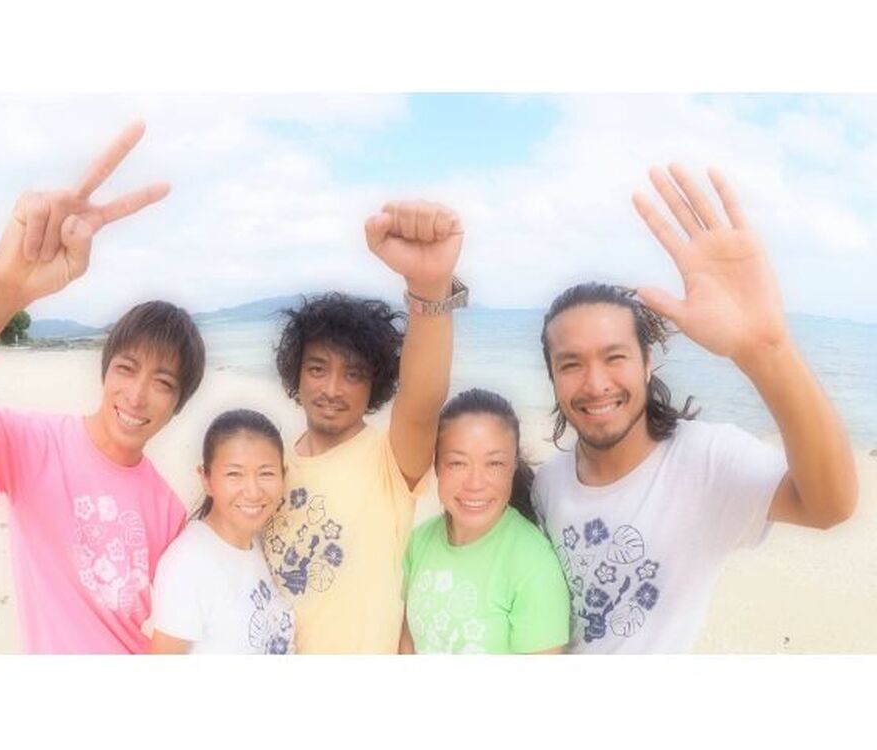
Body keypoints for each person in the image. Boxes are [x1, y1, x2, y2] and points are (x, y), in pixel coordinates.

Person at [532, 165, 858, 653]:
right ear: (553, 377)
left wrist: (766, 349)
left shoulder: (705, 460)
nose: (596, 384)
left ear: (648, 363)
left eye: (615, 357)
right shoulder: (547, 483)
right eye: (571, 364)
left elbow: (829, 505)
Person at [0, 122, 206, 654]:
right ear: (105, 371)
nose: (137, 394)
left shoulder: (169, 511)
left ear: (178, 403)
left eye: (163, 382)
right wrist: (3, 287)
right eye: (127, 368)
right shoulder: (35, 444)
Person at [261, 200, 466, 653]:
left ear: (375, 384)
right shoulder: (269, 464)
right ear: (296, 372)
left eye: (353, 374)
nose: (332, 388)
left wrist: (429, 287)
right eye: (317, 368)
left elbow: (423, 399)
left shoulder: (389, 460)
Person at [399, 389, 570, 654]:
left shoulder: (533, 564)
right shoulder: (419, 542)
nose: (475, 484)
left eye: (494, 464)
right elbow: (407, 643)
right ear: (436, 465)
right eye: (457, 463)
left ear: (513, 465)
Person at [150, 410, 295, 654]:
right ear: (206, 479)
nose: (253, 491)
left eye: (266, 473)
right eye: (234, 474)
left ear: (284, 475)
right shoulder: (188, 564)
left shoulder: (257, 545)